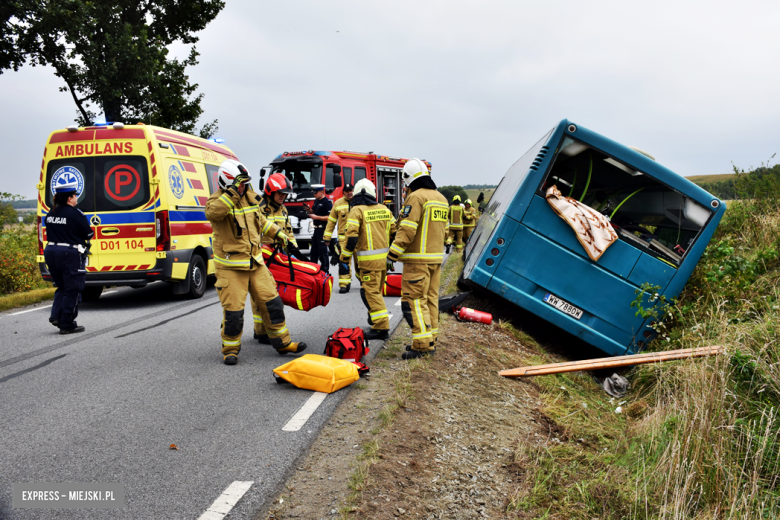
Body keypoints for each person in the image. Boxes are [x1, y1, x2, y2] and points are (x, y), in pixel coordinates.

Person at [205, 159, 306, 365]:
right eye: (240, 183)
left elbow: (262, 222)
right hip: (231, 268)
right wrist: (233, 193)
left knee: (273, 303)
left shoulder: (250, 199)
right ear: (228, 182)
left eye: (245, 183)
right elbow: (213, 214)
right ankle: (230, 349)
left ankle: (282, 343)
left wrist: (281, 235)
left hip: (255, 263)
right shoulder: (217, 201)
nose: (244, 187)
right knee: (234, 313)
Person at [387, 158, 448, 359]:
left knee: (413, 301)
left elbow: (407, 229)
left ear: (408, 179)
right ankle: (431, 339)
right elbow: (444, 231)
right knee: (430, 300)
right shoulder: (441, 198)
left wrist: (392, 255)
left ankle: (422, 345)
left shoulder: (416, 198)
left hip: (417, 261)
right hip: (435, 260)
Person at [253, 172, 308, 345]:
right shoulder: (258, 207)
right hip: (261, 256)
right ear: (270, 191)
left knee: (274, 293)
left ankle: (265, 330)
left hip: (278, 257)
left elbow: (288, 233)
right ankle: (261, 331)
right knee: (260, 295)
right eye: (280, 194)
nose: (283, 197)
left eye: (285, 194)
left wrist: (297, 253)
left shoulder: (283, 209)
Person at [340, 179, 396, 340]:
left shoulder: (356, 211)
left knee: (371, 292)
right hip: (384, 262)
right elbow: (395, 233)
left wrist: (344, 257)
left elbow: (351, 239)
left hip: (368, 263)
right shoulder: (385, 209)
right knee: (375, 292)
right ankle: (374, 318)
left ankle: (381, 327)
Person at [44, 176, 94, 334]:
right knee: (73, 288)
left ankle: (56, 317)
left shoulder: (51, 213)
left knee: (62, 286)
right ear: (70, 198)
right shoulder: (75, 213)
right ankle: (67, 323)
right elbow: (89, 233)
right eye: (75, 195)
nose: (76, 198)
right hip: (69, 253)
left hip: (51, 252)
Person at [324, 183, 354, 293]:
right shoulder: (338, 203)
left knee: (361, 263)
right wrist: (327, 237)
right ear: (344, 192)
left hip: (359, 238)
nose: (349, 192)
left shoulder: (359, 201)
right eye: (347, 191)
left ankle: (364, 282)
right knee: (344, 262)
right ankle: (344, 284)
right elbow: (331, 221)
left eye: (351, 190)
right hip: (344, 239)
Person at [306, 184, 332, 269]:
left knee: (322, 252)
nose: (314, 194)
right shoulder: (316, 201)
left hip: (323, 229)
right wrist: (308, 210)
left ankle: (325, 271)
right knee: (313, 252)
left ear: (321, 192)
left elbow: (330, 217)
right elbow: (313, 211)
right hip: (316, 230)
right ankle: (313, 269)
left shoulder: (327, 202)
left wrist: (316, 217)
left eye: (316, 193)